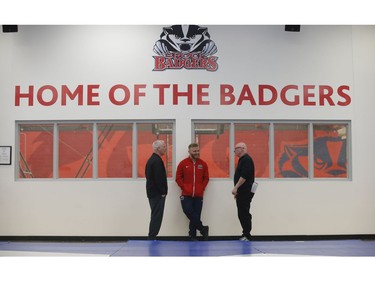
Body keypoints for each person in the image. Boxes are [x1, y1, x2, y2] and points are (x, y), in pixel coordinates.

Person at [176, 143, 210, 241]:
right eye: (194, 151)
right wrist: (184, 187)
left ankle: (192, 235)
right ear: (189, 151)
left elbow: (206, 178)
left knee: (196, 215)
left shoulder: (203, 164)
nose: (197, 152)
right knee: (188, 211)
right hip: (186, 194)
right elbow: (178, 178)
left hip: (198, 195)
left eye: (198, 150)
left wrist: (201, 188)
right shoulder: (183, 163)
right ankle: (203, 229)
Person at [232, 142, 255, 241]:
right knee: (241, 212)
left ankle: (247, 234)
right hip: (242, 191)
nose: (235, 151)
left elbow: (244, 176)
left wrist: (236, 187)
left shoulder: (246, 160)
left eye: (236, 148)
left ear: (243, 148)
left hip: (245, 191)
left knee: (244, 212)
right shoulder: (242, 160)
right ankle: (245, 233)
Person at [145, 139, 168, 240]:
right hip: (157, 194)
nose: (165, 148)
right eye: (164, 147)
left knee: (155, 214)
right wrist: (163, 192)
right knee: (157, 215)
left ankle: (152, 235)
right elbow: (159, 179)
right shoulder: (157, 161)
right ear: (158, 149)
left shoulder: (152, 160)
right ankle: (152, 236)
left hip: (153, 193)